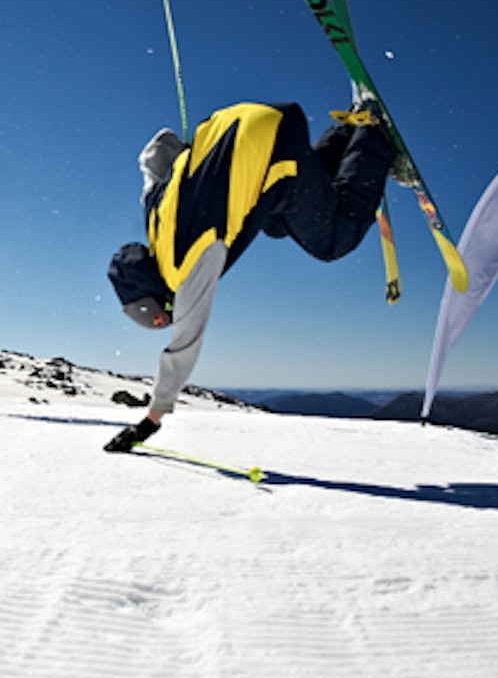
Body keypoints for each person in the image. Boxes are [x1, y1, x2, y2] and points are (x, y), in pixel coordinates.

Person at [104, 99, 396, 453]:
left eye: (165, 317)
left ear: (157, 302)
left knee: (333, 240)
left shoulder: (184, 269)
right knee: (275, 222)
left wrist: (152, 419)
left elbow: (183, 349)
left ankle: (374, 137)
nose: (173, 318)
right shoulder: (155, 217)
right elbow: (155, 155)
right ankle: (347, 131)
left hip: (273, 147)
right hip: (253, 121)